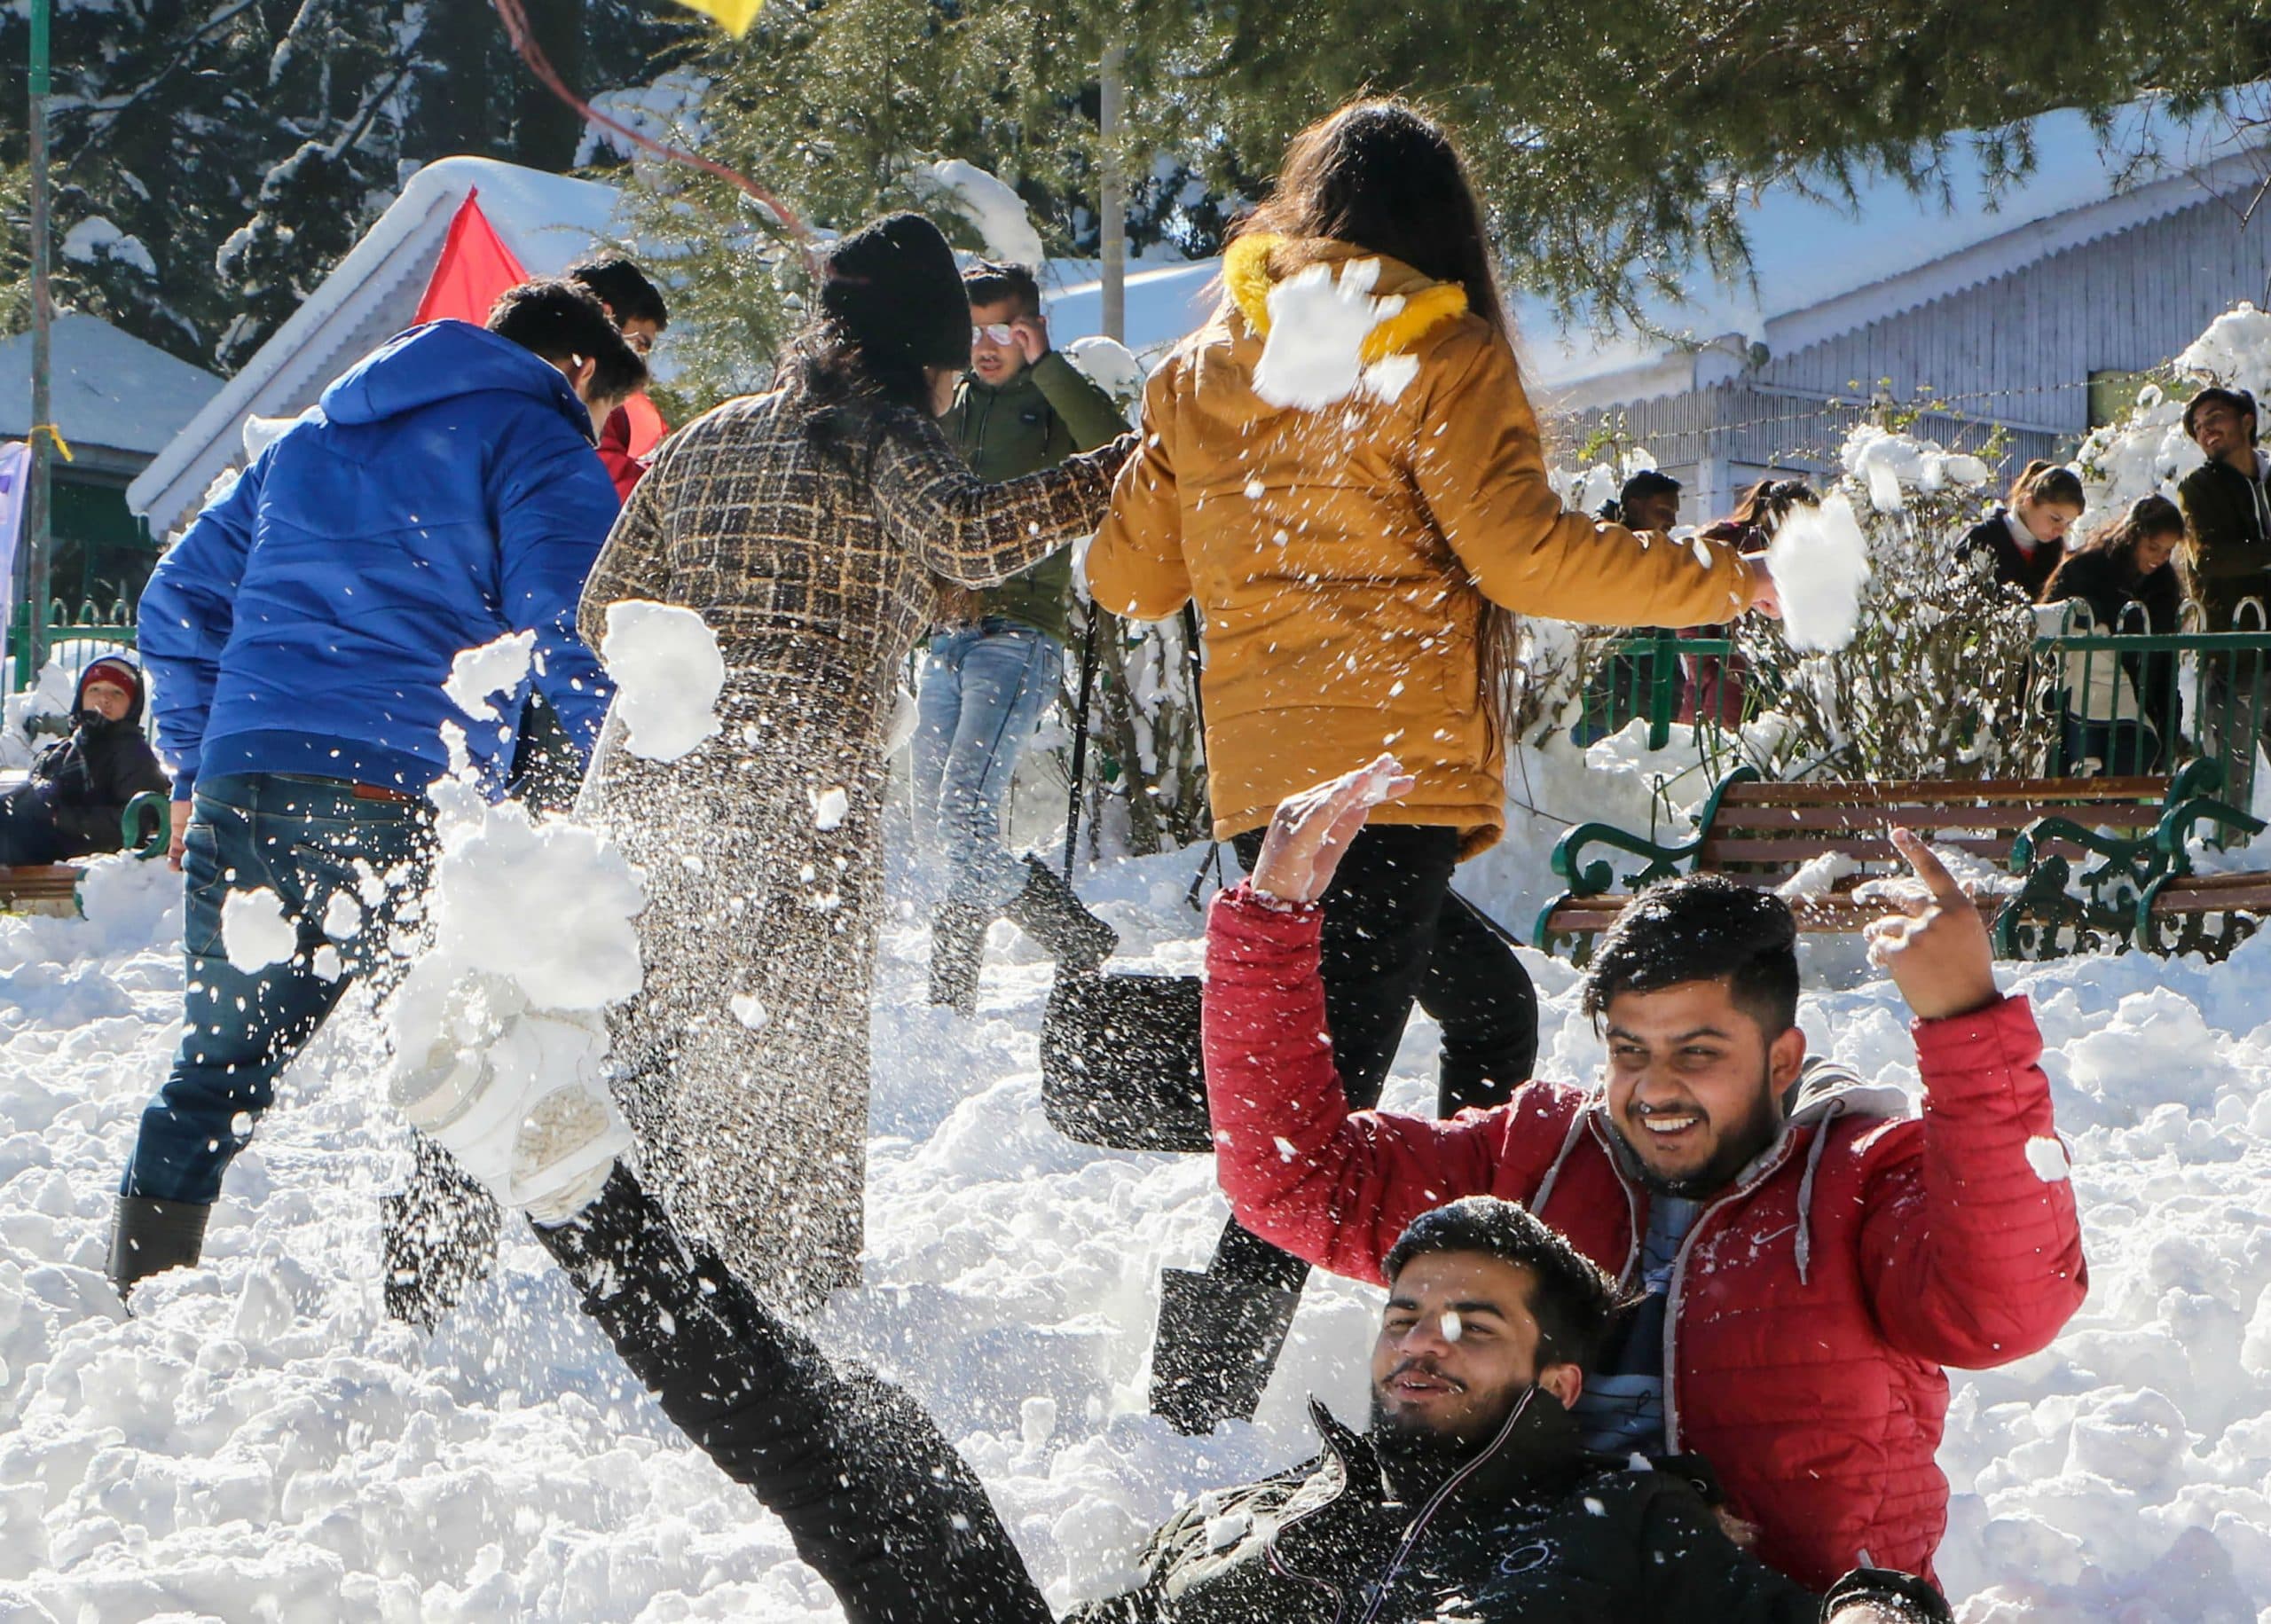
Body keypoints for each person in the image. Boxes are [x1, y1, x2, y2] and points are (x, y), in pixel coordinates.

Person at [389, 1011, 1948, 1624]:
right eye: (1405, 1311)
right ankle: (581, 1186)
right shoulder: (1287, 1499)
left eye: (1471, 1325)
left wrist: (1881, 1610)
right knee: (878, 1457)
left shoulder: (1625, 1523)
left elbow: (1846, 1617)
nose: (1419, 1338)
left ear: (1556, 1371)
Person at [1084, 97, 1780, 1436]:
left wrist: (1162, 464)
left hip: (1273, 794)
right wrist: (1717, 579)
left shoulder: (1209, 366)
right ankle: (1202, 1403)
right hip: (1386, 780)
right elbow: (1523, 556)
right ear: (1441, 227)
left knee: (1491, 1008)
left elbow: (1127, 574)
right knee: (1310, 1122)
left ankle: (1482, 1277)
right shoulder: (1438, 353)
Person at [1202, 759, 2087, 1592]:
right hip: (1519, 1596)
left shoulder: (1854, 1176)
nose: (1655, 1088)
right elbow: (1301, 1180)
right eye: (1629, 1051)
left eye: (1697, 1053)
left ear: (1783, 1060)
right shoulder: (1535, 1157)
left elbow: (2001, 1308)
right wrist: (1269, 926)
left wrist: (1968, 1022)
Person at [572, 212, 1133, 1316]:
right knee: (795, 1050)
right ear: (920, 360)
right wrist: (1115, 471)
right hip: (803, 786)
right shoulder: (884, 430)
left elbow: (603, 609)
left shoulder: (704, 435)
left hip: (652, 785)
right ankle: (794, 1292)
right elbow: (970, 534)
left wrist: (715, 664)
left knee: (656, 1028)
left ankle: (640, 1270)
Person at [106, 279, 646, 1306]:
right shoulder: (537, 438)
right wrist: (612, 792)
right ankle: (427, 1316)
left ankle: (141, 1308)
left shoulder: (308, 439)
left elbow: (175, 598)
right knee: (464, 1057)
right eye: (608, 405)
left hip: (246, 780)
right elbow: (573, 625)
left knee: (213, 1073)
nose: (601, 427)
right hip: (404, 792)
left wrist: (192, 763)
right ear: (577, 369)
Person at [920, 259, 1128, 1013]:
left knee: (962, 811)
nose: (987, 346)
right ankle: (951, 994)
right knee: (936, 819)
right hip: (946, 638)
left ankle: (1071, 938)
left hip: (1018, 638)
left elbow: (1116, 447)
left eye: (1003, 330)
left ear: (1032, 329)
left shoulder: (1049, 397)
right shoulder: (949, 402)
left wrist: (1049, 366)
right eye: (974, 331)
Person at [2039, 495, 2187, 775]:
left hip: (2136, 707)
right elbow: (2050, 626)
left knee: (2123, 796)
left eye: (2168, 551)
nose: (2160, 558)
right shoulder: (2085, 569)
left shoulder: (2164, 585)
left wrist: (2167, 727)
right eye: (2153, 547)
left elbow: (2165, 660)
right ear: (2132, 536)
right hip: (2081, 703)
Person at [2176, 386, 2271, 803]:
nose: (2206, 430)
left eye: (2214, 417)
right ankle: (2221, 861)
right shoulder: (2198, 488)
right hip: (2235, 648)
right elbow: (2209, 558)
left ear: (2246, 421)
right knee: (2233, 776)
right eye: (2197, 427)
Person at [0, 654, 167, 867]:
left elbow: (133, 823)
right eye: (94, 689)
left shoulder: (132, 753)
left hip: (80, 854)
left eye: (117, 693)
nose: (104, 699)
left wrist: (58, 816)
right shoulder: (65, 749)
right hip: (43, 843)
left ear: (132, 706)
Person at [1680, 477, 1818, 727]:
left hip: (1777, 674)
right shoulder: (1732, 543)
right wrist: (1705, 673)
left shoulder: (1805, 555)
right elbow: (1692, 610)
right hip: (1730, 675)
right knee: (1721, 747)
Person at [566, 255, 671, 501]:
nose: (639, 360)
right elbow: (612, 482)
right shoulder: (582, 381)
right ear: (607, 315)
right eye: (639, 343)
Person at [1958, 459, 2085, 599]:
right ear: (2028, 502)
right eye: (2055, 519)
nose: (2061, 530)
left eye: (2068, 523)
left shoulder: (2056, 552)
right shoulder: (1981, 540)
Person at [1599, 467, 1683, 532]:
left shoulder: (1662, 550)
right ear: (1634, 508)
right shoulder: (1599, 545)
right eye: (1664, 511)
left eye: (1673, 514)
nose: (1673, 522)